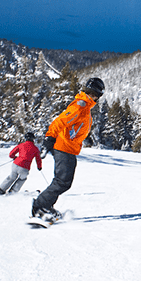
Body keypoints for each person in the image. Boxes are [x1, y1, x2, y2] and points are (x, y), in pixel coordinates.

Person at [31, 77, 105, 221]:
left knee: (63, 181)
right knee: (62, 181)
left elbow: (76, 127)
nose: (97, 98)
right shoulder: (80, 106)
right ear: (94, 93)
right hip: (63, 147)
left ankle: (46, 206)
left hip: (69, 148)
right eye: (97, 95)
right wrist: (49, 138)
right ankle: (40, 206)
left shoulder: (85, 107)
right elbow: (60, 121)